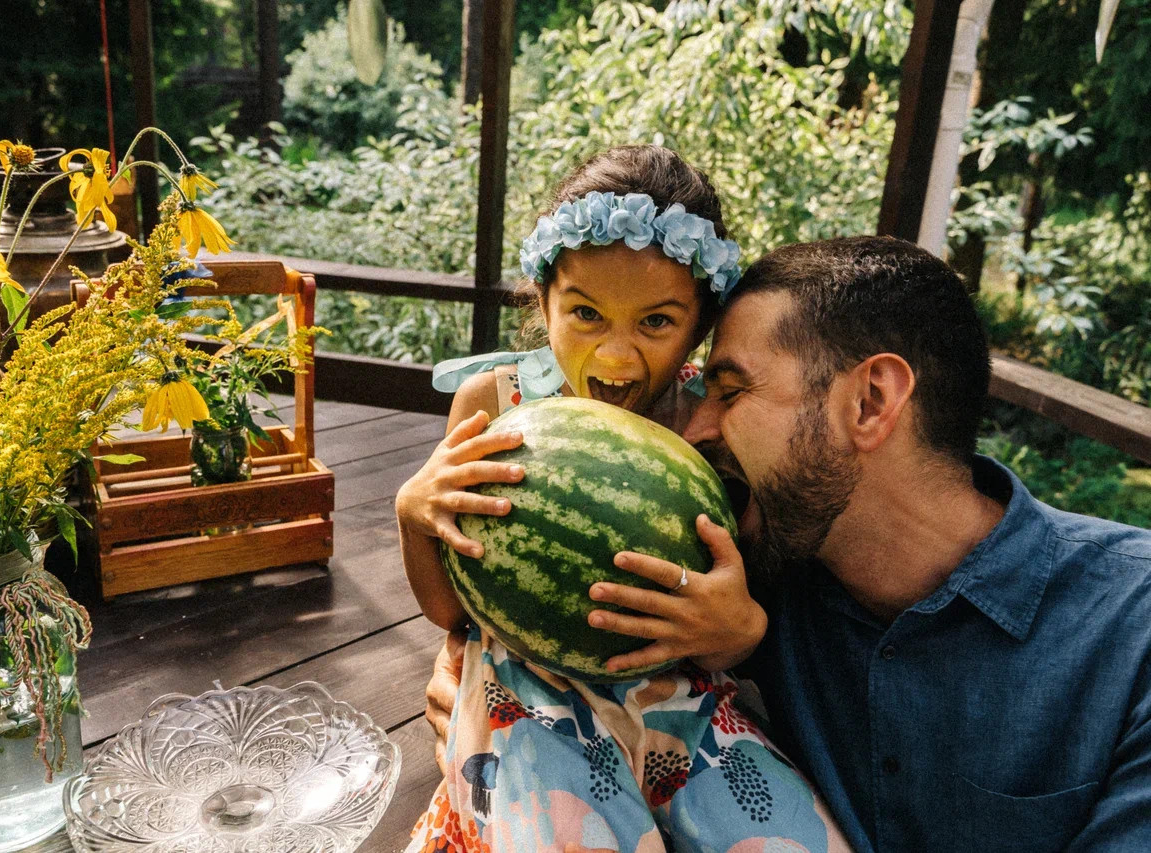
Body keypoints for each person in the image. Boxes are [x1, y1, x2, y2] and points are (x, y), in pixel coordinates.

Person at [429, 235, 1151, 852]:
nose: (699, 428)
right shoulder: (752, 576)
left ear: (869, 402)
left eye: (730, 389)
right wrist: (490, 686)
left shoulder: (1132, 633)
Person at [396, 146, 849, 852]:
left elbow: (739, 614)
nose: (614, 355)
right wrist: (412, 512)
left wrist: (742, 627)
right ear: (542, 299)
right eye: (584, 313)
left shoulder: (712, 422)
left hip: (679, 697)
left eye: (656, 323)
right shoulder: (491, 404)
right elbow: (453, 607)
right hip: (525, 693)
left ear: (700, 324)